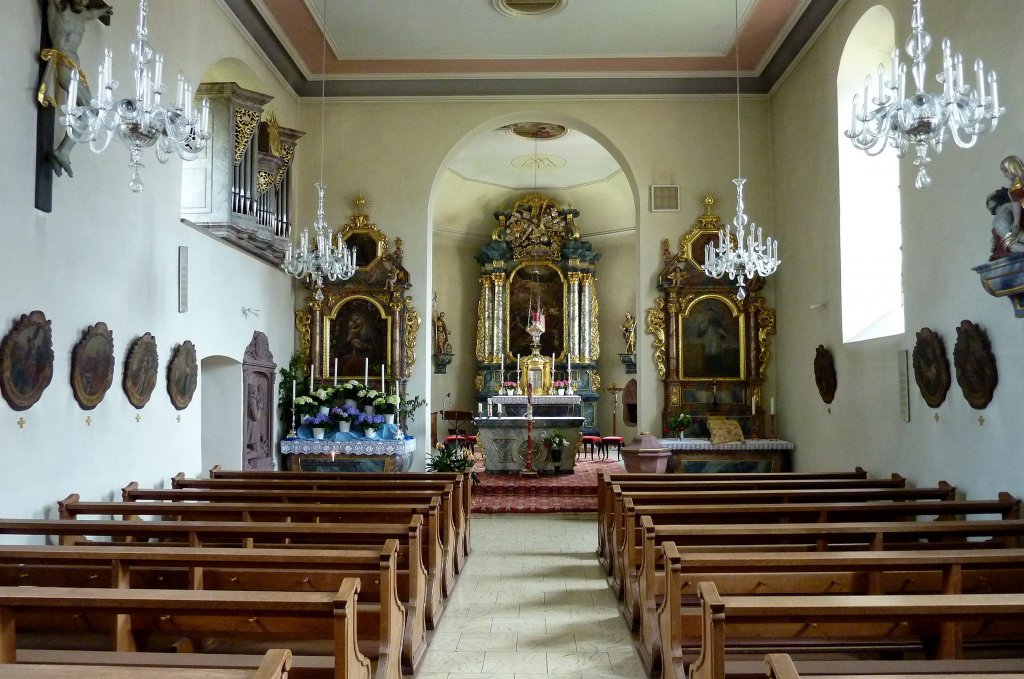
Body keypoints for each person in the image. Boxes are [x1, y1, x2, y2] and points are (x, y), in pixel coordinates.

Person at [38, 0, 114, 178]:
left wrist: (104, 9)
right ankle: (63, 151)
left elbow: (94, 14)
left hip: (75, 67)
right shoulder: (57, 7)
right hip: (62, 60)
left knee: (92, 111)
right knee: (91, 110)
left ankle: (63, 151)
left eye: (87, 0)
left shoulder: (82, 14)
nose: (85, 2)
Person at [987, 155, 1024, 259]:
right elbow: (1015, 204)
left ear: (1013, 167)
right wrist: (1016, 223)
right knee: (1009, 244)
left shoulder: (1019, 183)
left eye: (1005, 171)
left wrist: (1016, 223)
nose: (1004, 175)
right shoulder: (1012, 187)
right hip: (1021, 219)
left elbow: (1016, 204)